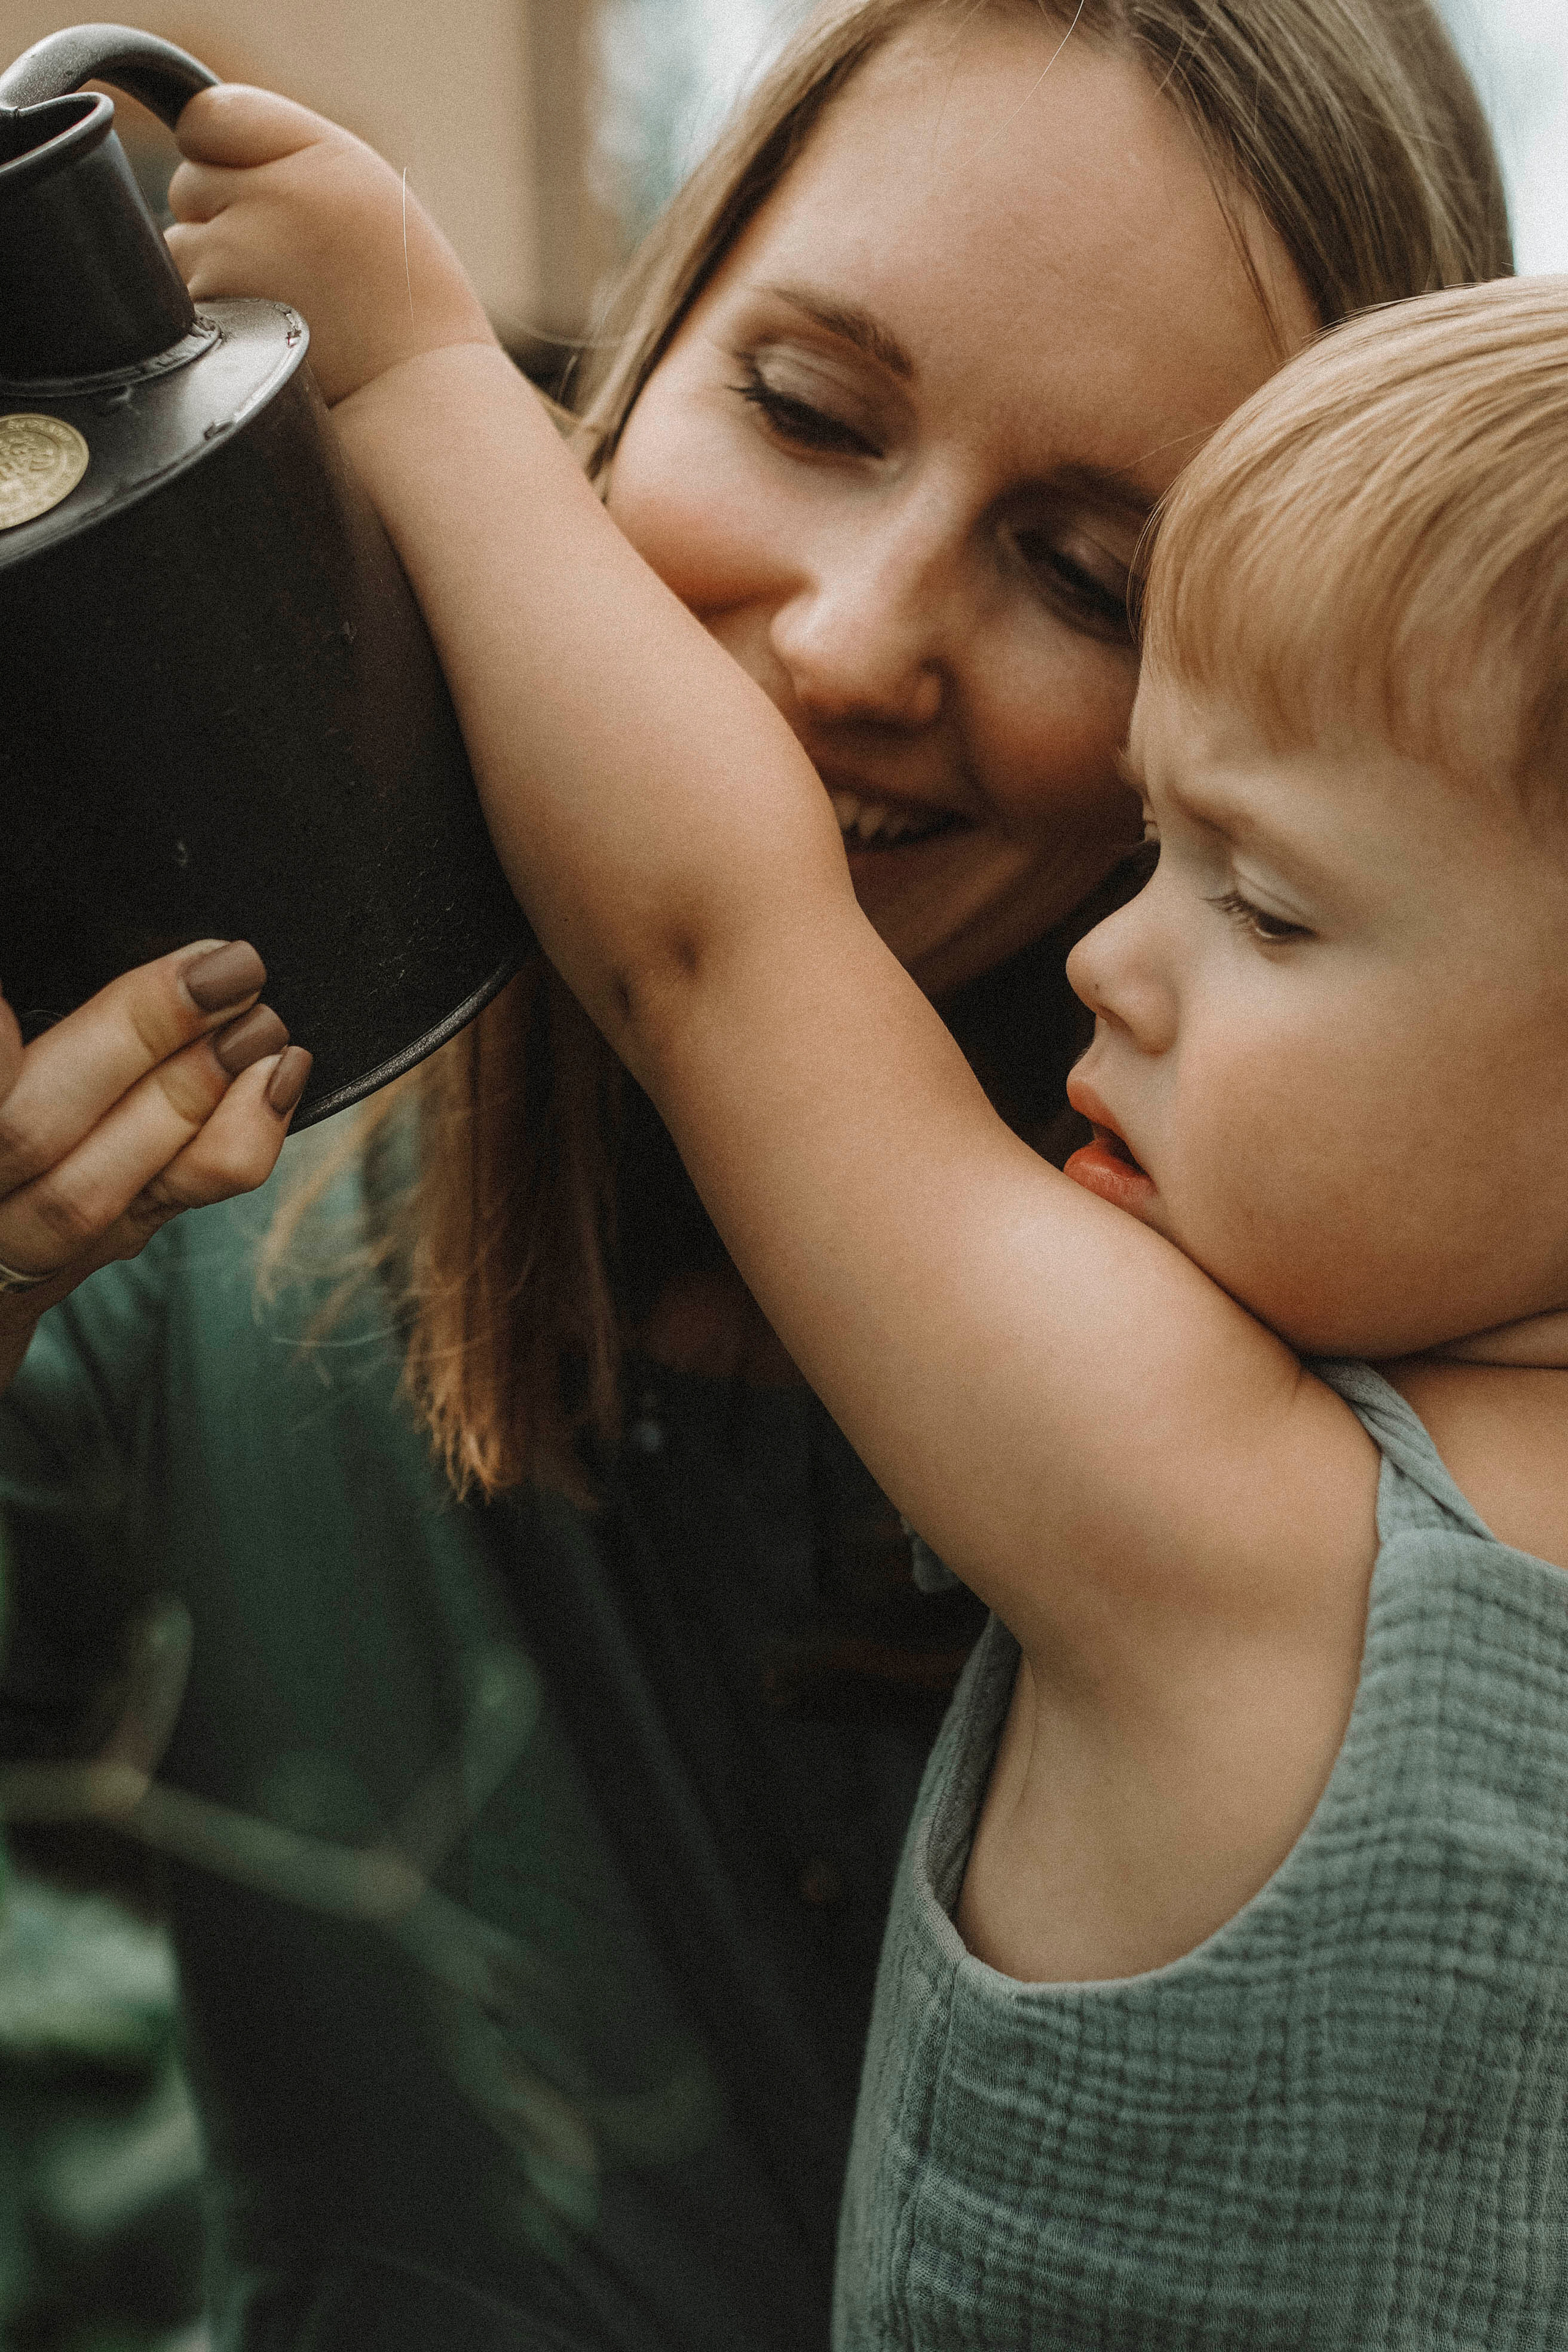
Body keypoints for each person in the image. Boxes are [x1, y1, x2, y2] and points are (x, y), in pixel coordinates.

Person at [0, 4, 1512, 2346]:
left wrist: (407, 372)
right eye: (806, 412)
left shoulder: (1238, 1487)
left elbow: (712, 941)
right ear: (657, 335)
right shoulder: (203, 1169)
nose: (849, 641)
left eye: (1095, 572)